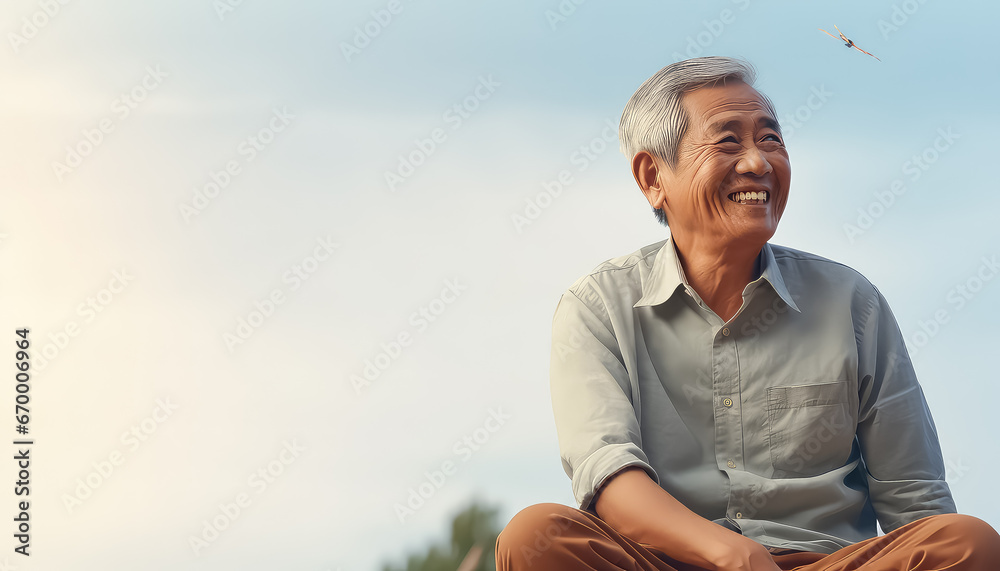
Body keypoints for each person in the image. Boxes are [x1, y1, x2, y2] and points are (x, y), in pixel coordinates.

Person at [495, 56, 1000, 570]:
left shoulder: (852, 303)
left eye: (771, 140)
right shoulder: (598, 307)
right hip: (666, 563)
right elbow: (608, 476)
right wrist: (731, 555)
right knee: (535, 536)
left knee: (967, 542)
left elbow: (915, 499)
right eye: (728, 141)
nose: (758, 162)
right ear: (652, 177)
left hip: (828, 564)